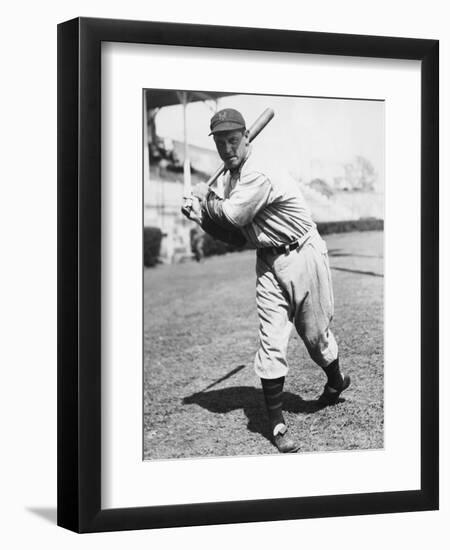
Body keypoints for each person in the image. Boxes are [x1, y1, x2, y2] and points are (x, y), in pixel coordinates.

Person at [185, 108, 350, 453]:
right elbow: (236, 235)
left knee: (315, 336)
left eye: (233, 140)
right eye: (221, 143)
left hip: (303, 253)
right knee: (271, 340)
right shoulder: (233, 177)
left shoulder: (259, 171)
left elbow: (231, 214)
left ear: (246, 138)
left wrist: (206, 197)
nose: (228, 149)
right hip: (267, 261)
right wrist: (201, 216)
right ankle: (277, 424)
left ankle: (336, 380)